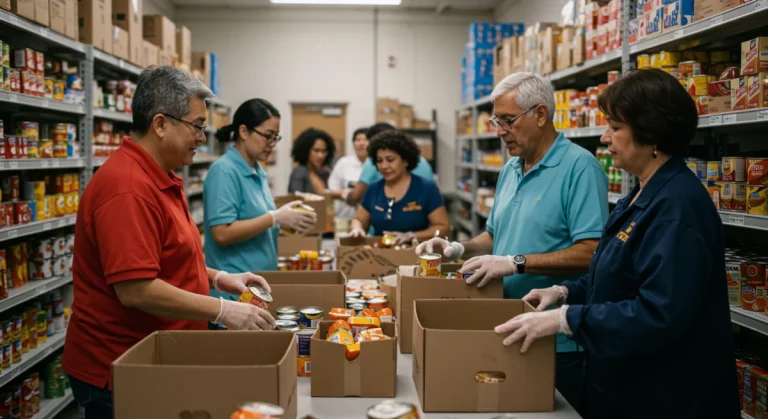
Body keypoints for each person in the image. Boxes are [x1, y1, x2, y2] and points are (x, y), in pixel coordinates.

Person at [492, 69, 739, 419]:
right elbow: (615, 273)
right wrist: (565, 292)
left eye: (616, 127)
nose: (606, 138)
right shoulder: (642, 193)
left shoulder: (677, 209)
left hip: (667, 399)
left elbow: (659, 313)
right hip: (626, 387)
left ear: (651, 133)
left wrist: (567, 320)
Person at [62, 66, 277, 417]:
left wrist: (219, 279)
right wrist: (223, 309)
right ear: (160, 124)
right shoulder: (128, 189)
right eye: (196, 126)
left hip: (155, 354)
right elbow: (136, 289)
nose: (203, 137)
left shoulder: (162, 176)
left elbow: (167, 255)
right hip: (120, 368)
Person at [415, 72, 609, 412]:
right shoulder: (511, 168)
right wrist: (457, 247)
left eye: (507, 120)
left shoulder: (580, 168)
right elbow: (494, 235)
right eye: (496, 121)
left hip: (556, 341)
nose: (499, 131)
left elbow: (592, 252)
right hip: (506, 326)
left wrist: (516, 262)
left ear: (540, 114)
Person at [204, 99, 317, 307]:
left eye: (276, 137)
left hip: (256, 290)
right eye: (267, 136)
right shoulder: (224, 171)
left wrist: (287, 223)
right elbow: (221, 233)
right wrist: (274, 218)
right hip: (234, 293)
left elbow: (256, 222)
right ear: (244, 131)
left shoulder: (257, 171)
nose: (272, 144)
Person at [349, 130, 449, 244]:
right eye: (379, 161)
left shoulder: (426, 188)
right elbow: (359, 220)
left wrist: (411, 236)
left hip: (415, 255)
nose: (384, 166)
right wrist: (357, 228)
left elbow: (443, 228)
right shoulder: (373, 189)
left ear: (405, 161)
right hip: (380, 254)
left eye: (390, 160)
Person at [345, 122, 434, 206]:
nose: (384, 165)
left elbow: (355, 196)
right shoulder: (423, 162)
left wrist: (345, 194)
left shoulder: (374, 161)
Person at [328, 127, 368, 223]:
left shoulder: (376, 164)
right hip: (344, 217)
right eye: (358, 140)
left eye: (366, 139)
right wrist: (347, 193)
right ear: (353, 143)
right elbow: (331, 190)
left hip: (368, 218)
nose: (361, 143)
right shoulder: (343, 163)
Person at [288, 127, 337, 195]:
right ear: (306, 150)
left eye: (324, 151)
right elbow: (296, 198)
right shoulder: (299, 171)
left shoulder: (324, 174)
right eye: (316, 150)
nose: (321, 155)